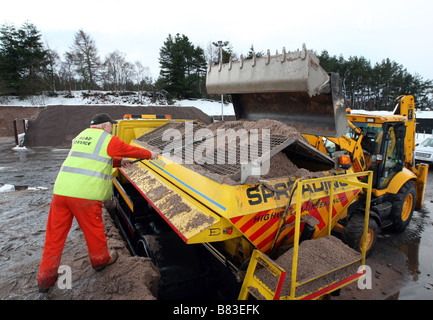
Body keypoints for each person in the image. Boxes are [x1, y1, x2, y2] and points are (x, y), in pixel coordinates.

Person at [37, 113, 159, 293]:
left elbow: (92, 160)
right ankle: (100, 260)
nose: (112, 129)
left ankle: (45, 279)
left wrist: (118, 162)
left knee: (54, 237)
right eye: (111, 126)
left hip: (61, 192)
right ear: (104, 126)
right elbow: (129, 149)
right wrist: (151, 154)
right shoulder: (106, 138)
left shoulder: (81, 136)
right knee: (94, 230)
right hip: (84, 195)